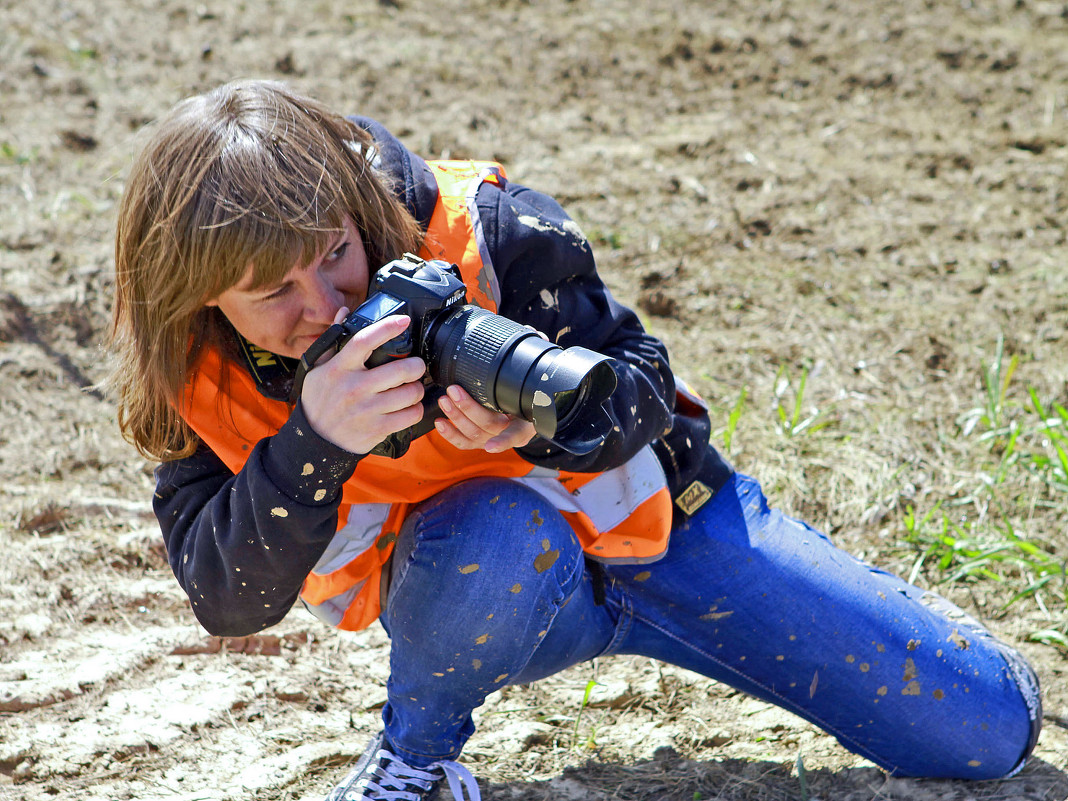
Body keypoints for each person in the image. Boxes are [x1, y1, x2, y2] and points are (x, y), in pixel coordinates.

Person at [110, 79, 1042, 801]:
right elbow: (228, 598)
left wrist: (538, 423)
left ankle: (876, 608)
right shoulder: (194, 364)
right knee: (493, 530)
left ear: (355, 208)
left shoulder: (486, 228)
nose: (328, 307)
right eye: (272, 293)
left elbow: (644, 381)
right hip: (487, 588)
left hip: (671, 532)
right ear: (199, 295)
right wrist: (314, 438)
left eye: (333, 254)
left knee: (986, 733)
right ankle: (416, 756)